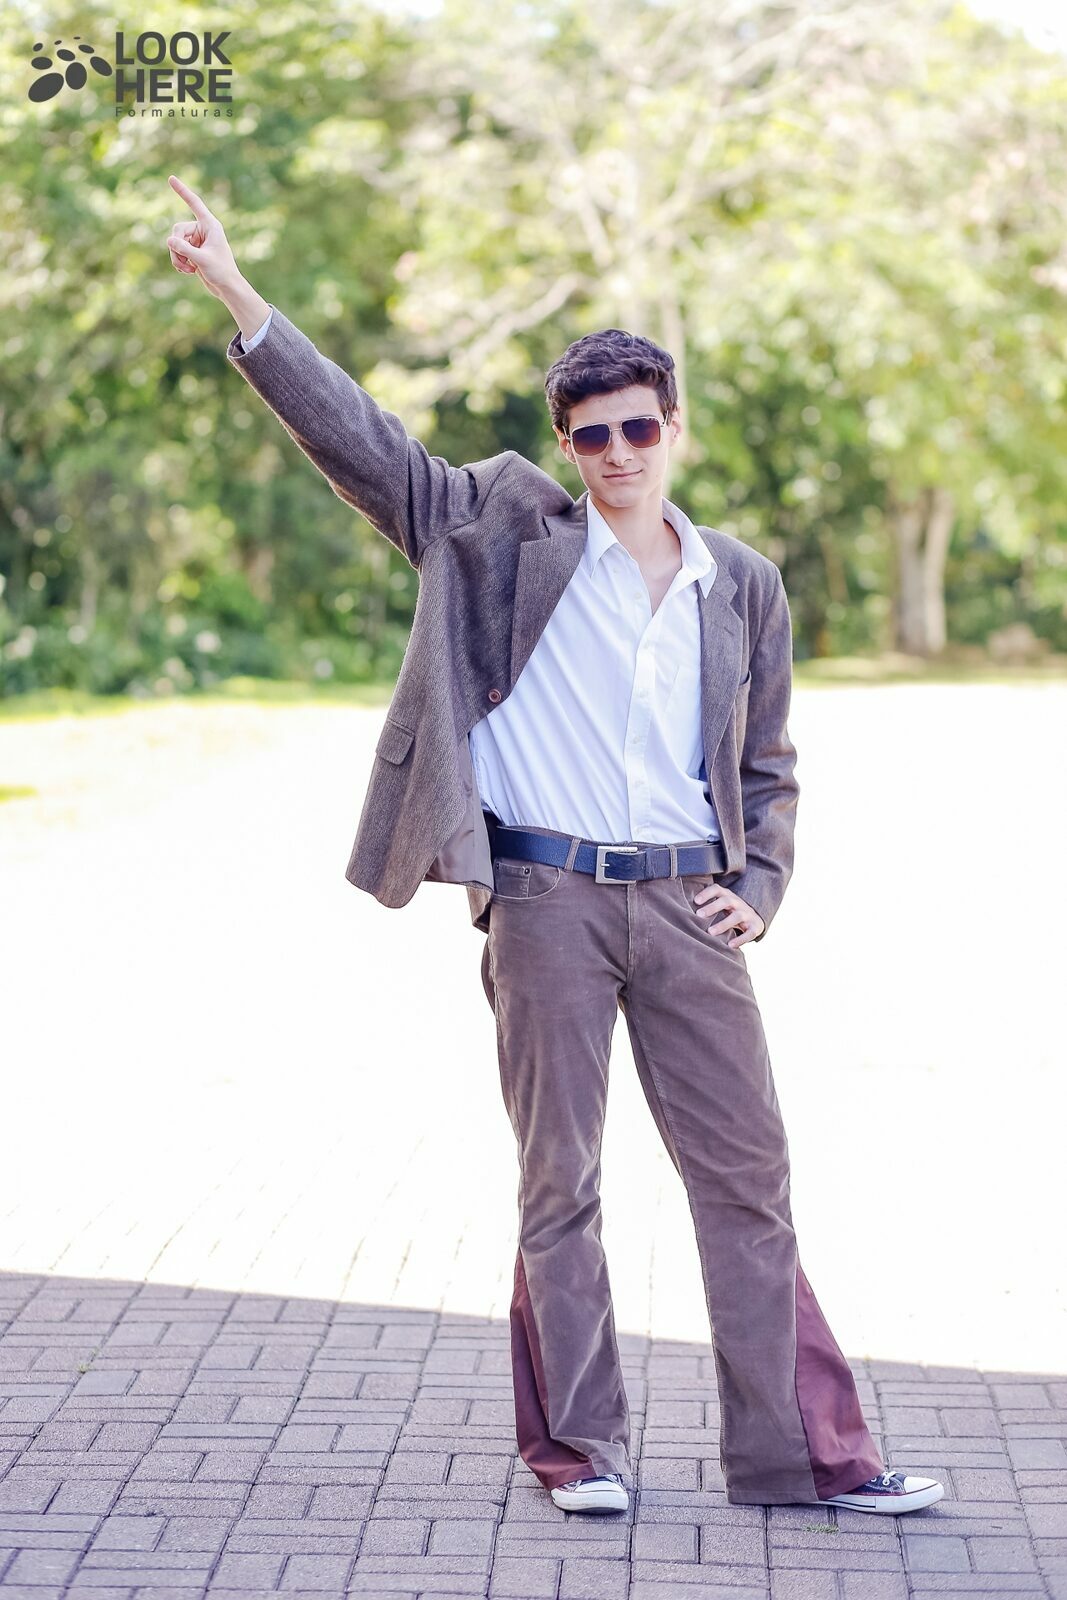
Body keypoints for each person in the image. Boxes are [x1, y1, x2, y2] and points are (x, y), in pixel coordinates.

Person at [164, 174, 944, 1518]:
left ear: (673, 426)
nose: (618, 452)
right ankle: (579, 1451)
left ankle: (806, 1458)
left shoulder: (740, 583)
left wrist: (760, 884)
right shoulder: (497, 529)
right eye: (593, 435)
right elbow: (370, 446)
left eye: (639, 426)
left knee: (748, 1183)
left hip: (690, 909)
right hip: (544, 900)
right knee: (561, 1181)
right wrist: (242, 298)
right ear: (568, 445)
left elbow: (766, 762)